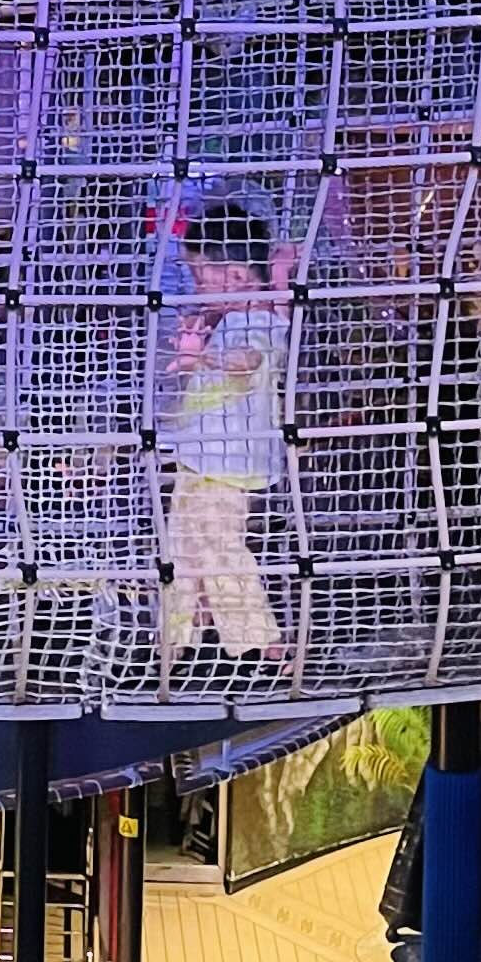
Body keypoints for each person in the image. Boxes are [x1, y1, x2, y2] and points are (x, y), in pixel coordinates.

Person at [156, 188, 290, 673]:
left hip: (228, 462)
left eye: (200, 275)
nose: (195, 286)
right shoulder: (237, 317)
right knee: (183, 544)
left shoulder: (258, 322)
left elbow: (245, 364)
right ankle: (178, 635)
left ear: (234, 275)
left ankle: (263, 641)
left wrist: (201, 358)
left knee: (219, 545)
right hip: (202, 456)